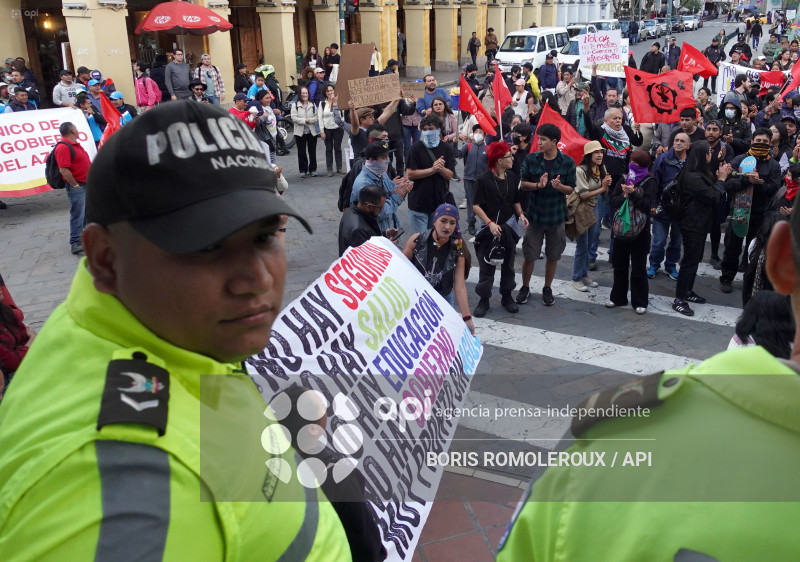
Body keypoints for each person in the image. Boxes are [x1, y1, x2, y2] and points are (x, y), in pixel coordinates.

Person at [0, 102, 352, 560]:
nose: (258, 279)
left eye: (267, 236)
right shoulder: (121, 491)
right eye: (206, 245)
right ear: (106, 258)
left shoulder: (154, 328)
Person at [516, 123, 576, 307]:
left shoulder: (567, 162)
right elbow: (523, 182)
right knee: (529, 255)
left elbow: (571, 189)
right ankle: (525, 286)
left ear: (554, 142)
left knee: (553, 255)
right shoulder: (532, 159)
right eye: (538, 138)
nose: (539, 142)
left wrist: (559, 187)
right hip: (535, 216)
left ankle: (547, 287)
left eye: (543, 139)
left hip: (556, 216)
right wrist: (537, 185)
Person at [720, 128, 782, 294]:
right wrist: (745, 180)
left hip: (760, 215)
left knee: (754, 250)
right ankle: (726, 277)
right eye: (758, 141)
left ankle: (749, 281)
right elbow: (728, 184)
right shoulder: (740, 160)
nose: (761, 144)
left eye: (765, 142)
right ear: (752, 141)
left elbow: (774, 189)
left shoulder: (774, 166)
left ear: (770, 144)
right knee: (732, 247)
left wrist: (758, 183)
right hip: (738, 211)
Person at [671, 141, 729, 316]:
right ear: (703, 155)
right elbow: (713, 196)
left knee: (695, 260)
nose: (711, 154)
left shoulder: (697, 172)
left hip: (700, 223)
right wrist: (721, 180)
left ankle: (688, 292)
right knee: (689, 262)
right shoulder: (691, 177)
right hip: (692, 225)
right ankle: (679, 299)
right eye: (709, 152)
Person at [472, 142, 527, 316]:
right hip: (489, 229)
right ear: (498, 160)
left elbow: (516, 201)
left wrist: (521, 214)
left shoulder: (513, 178)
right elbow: (476, 206)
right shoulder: (483, 179)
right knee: (486, 264)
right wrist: (490, 223)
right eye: (508, 157)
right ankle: (484, 299)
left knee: (509, 264)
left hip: (508, 227)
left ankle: (507, 296)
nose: (512, 159)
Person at [404, 204, 475, 335]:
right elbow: (401, 271)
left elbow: (459, 286)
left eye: (452, 223)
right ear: (435, 221)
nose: (447, 227)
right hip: (416, 300)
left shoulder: (458, 248)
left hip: (443, 299)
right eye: (443, 221)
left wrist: (467, 317)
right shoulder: (416, 241)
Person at [606, 150, 656, 314]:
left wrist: (633, 194)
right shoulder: (623, 177)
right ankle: (617, 297)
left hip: (640, 230)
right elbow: (613, 201)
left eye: (636, 162)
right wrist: (625, 195)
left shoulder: (650, 181)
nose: (633, 165)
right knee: (619, 264)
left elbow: (648, 206)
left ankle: (640, 301)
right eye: (631, 161)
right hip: (622, 228)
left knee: (638, 267)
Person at [406, 115, 456, 235]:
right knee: (420, 242)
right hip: (418, 204)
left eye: (431, 129)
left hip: (438, 204)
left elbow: (449, 175)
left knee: (435, 241)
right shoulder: (415, 149)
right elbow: (410, 174)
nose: (428, 132)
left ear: (438, 130)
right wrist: (432, 169)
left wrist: (440, 168)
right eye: (425, 129)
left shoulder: (447, 149)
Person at [350, 141, 412, 234]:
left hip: (390, 226)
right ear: (371, 160)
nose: (387, 160)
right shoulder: (363, 184)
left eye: (387, 156)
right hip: (376, 232)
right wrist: (398, 196)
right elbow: (380, 212)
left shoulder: (381, 173)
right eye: (383, 157)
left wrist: (401, 187)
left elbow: (390, 191)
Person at [571, 141, 609, 293]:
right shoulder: (580, 170)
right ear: (588, 155)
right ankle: (575, 278)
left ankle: (584, 274)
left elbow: (603, 192)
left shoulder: (602, 169)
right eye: (596, 152)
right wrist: (602, 188)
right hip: (582, 211)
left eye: (601, 152)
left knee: (590, 244)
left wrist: (606, 185)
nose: (599, 155)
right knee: (582, 246)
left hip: (595, 209)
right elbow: (584, 195)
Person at [706, 120, 735, 269]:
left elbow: (727, 170)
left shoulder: (726, 148)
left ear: (720, 133)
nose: (711, 132)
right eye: (709, 129)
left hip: (718, 189)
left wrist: (721, 160)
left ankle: (714, 255)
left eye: (714, 129)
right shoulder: (700, 146)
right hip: (702, 190)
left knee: (716, 225)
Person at [338, 183, 398, 256]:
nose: (382, 210)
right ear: (369, 207)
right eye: (380, 208)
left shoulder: (352, 210)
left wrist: (385, 234)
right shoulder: (358, 231)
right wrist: (388, 246)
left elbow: (369, 235)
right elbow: (367, 257)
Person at [0, 289, 33, 396]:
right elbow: (12, 362)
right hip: (6, 378)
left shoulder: (4, 311)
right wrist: (32, 339)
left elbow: (23, 332)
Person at [458, 124, 489, 235]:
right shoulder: (468, 146)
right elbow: (458, 154)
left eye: (481, 132)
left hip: (482, 180)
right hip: (469, 178)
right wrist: (454, 143)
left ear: (484, 136)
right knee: (471, 202)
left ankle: (485, 222)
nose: (478, 134)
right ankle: (471, 223)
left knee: (483, 202)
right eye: (476, 131)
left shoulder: (488, 148)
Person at [318, 84, 344, 176]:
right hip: (327, 128)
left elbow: (342, 115)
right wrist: (322, 131)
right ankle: (329, 169)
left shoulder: (339, 101)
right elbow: (320, 118)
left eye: (331, 90)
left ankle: (339, 167)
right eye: (328, 91)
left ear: (334, 91)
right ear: (325, 93)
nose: (330, 92)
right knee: (328, 149)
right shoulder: (322, 103)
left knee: (338, 148)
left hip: (337, 128)